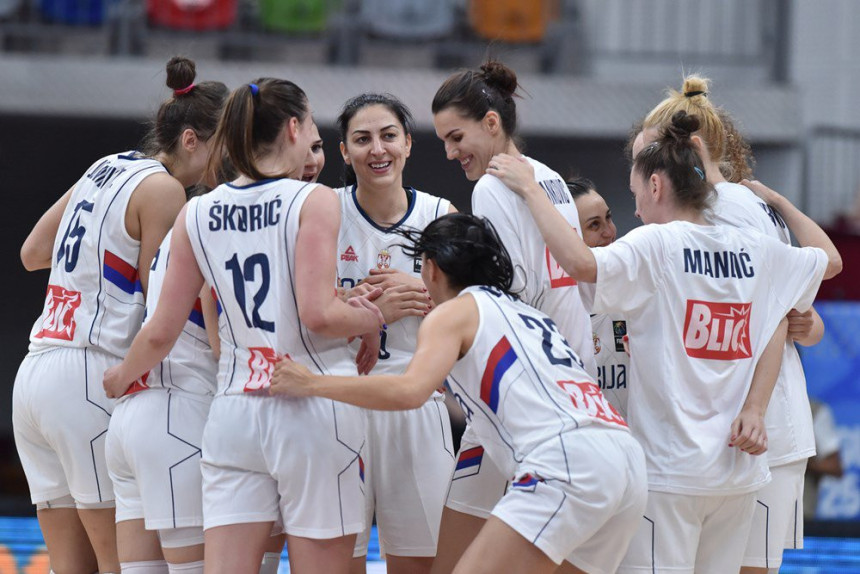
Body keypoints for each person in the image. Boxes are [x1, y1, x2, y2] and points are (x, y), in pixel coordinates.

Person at [488, 111, 841, 573]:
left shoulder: (656, 243)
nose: (634, 211)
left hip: (670, 474)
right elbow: (831, 261)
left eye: (635, 196)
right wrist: (779, 203)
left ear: (656, 187)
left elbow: (578, 262)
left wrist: (533, 190)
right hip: (737, 478)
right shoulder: (756, 249)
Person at [101, 77, 385, 574]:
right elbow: (320, 313)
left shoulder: (196, 211)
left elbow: (162, 328)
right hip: (309, 408)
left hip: (233, 413)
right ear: (294, 128)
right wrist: (372, 316)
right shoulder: (312, 200)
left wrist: (122, 374)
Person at [269, 212, 648, 574]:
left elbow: (408, 390)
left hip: (566, 461)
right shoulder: (526, 313)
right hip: (626, 462)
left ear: (431, 268)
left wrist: (311, 383)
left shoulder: (453, 313)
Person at [12, 55, 201, 574]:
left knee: (69, 567)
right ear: (192, 140)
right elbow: (162, 296)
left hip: (35, 373)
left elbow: (32, 254)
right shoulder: (164, 189)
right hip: (89, 375)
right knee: (118, 565)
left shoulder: (106, 165)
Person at [635, 74, 829, 574]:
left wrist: (757, 405)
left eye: (647, 156)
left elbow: (780, 313)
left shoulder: (728, 206)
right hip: (747, 429)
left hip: (757, 427)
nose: (639, 174)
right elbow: (796, 308)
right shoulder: (735, 205)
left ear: (686, 150)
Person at [430, 60, 596, 572]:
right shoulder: (549, 179)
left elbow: (508, 295)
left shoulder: (491, 186)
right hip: (573, 379)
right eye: (443, 141)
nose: (451, 152)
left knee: (453, 558)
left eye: (457, 137)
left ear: (492, 124)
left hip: (522, 395)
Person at [101, 59, 228, 574]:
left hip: (130, 424)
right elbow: (171, 331)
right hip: (178, 411)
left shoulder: (171, 211)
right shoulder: (205, 221)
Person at [334, 92, 456, 574]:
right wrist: (368, 310)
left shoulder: (439, 214)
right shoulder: (323, 210)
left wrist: (420, 284)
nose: (377, 149)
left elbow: (473, 307)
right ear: (344, 151)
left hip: (416, 403)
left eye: (388, 136)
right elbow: (301, 306)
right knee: (338, 561)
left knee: (423, 563)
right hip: (342, 404)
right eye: (361, 139)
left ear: (408, 143)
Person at [567, 177, 629, 418]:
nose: (610, 232)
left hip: (633, 446)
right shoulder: (548, 310)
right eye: (594, 225)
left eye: (609, 218)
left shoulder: (634, 293)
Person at [804, 399, 844, 520]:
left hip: (799, 513)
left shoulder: (814, 410)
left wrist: (801, 460)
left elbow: (834, 466)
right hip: (753, 506)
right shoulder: (750, 406)